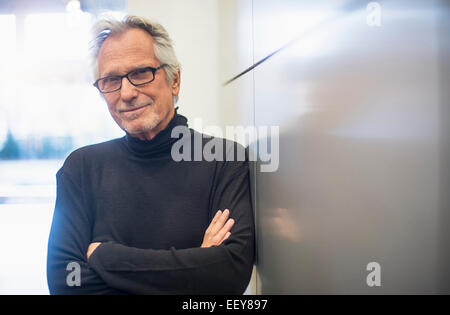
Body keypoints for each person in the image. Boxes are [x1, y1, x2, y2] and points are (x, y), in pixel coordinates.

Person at [46, 15, 255, 294]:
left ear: (175, 80)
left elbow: (229, 274)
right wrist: (196, 267)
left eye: (140, 73)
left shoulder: (225, 160)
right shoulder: (82, 168)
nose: (127, 93)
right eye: (110, 80)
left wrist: (104, 257)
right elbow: (67, 282)